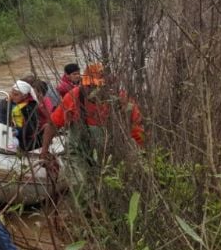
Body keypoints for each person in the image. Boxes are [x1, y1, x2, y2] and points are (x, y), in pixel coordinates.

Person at [39, 63, 143, 202]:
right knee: (80, 185)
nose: (92, 90)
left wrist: (143, 152)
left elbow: (137, 128)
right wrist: (44, 151)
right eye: (89, 85)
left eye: (97, 86)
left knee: (112, 189)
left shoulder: (121, 100)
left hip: (110, 155)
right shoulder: (74, 96)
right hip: (78, 153)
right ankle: (88, 212)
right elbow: (52, 125)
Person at [9, 80, 49, 151]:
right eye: (12, 93)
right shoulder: (15, 103)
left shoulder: (29, 107)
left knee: (10, 145)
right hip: (17, 133)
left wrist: (17, 132)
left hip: (27, 140)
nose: (12, 96)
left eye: (16, 95)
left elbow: (30, 128)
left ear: (24, 95)